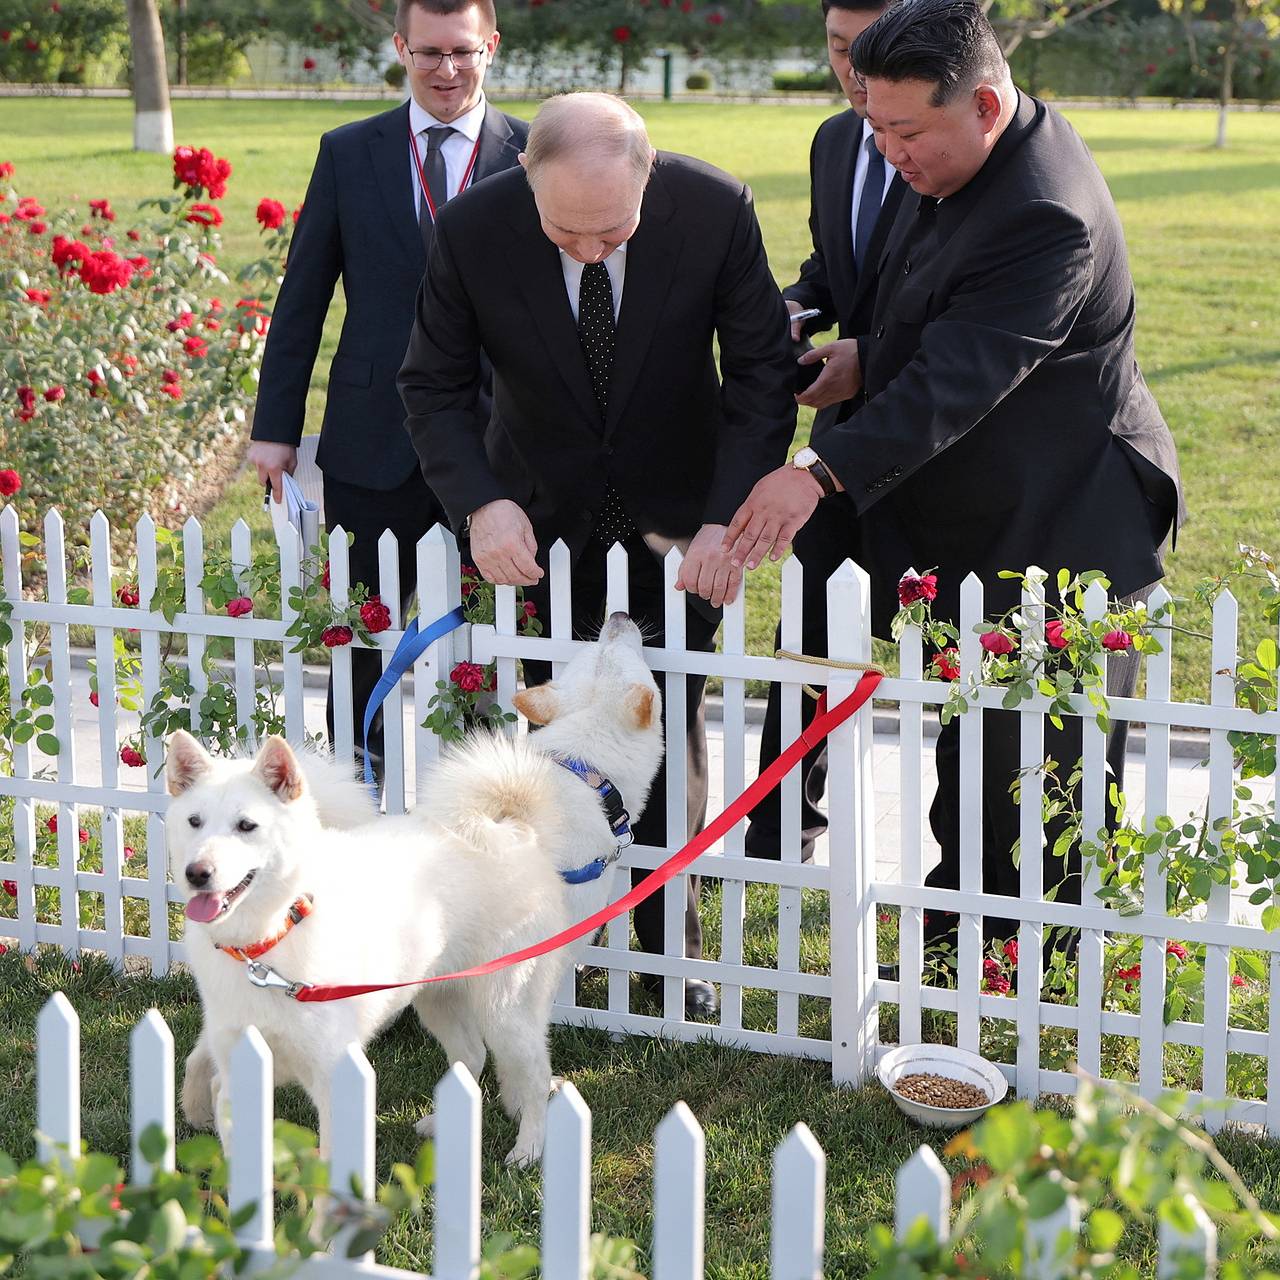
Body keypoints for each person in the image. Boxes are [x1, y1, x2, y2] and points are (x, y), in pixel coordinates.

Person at [723, 0, 1184, 949]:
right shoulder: (956, 155)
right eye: (872, 124)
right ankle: (957, 940)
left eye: (903, 129)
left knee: (1030, 772)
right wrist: (859, 360)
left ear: (981, 103)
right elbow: (917, 309)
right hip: (974, 507)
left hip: (1063, 519)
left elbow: (962, 376)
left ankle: (1027, 963)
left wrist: (815, 472)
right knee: (972, 747)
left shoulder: (1045, 210)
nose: (885, 149)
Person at [398, 92, 797, 1019]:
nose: (589, 250)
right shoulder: (472, 229)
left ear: (648, 177)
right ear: (525, 179)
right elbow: (433, 382)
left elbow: (760, 377)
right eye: (564, 232)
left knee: (666, 728)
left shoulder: (715, 209)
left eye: (611, 231)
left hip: (681, 528)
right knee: (555, 741)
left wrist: (724, 518)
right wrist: (483, 505)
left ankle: (672, 960)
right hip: (538, 524)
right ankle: (548, 941)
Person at [247, 0, 528, 782]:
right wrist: (275, 427)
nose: (446, 70)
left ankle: (479, 801)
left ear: (491, 47)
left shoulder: (534, 152)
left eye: (464, 52)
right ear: (401, 47)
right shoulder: (349, 152)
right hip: (374, 440)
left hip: (494, 442)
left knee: (485, 642)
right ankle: (354, 795)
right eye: (429, 52)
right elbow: (303, 296)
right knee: (360, 642)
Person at [744, 0, 908, 864]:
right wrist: (792, 309)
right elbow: (833, 272)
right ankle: (782, 826)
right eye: (840, 49)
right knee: (808, 626)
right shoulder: (835, 140)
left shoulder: (951, 135)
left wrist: (871, 357)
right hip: (839, 431)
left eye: (869, 53)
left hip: (940, 434)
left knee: (942, 644)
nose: (853, 72)